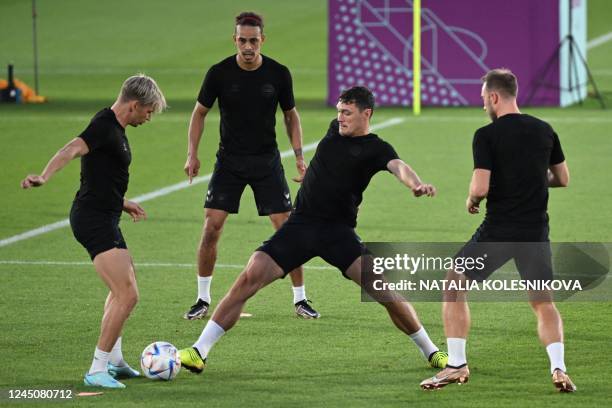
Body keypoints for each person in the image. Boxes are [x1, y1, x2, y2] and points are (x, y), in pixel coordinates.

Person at [177, 86, 449, 374]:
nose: (340, 118)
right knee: (250, 275)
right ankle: (199, 351)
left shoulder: (377, 148)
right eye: (339, 112)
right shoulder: (336, 129)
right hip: (302, 225)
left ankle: (431, 352)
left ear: (366, 114)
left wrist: (415, 185)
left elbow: (398, 166)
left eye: (347, 113)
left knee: (383, 290)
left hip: (338, 233)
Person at [420, 68, 575, 392]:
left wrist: (471, 198)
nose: (482, 106)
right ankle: (558, 368)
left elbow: (480, 185)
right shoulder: (544, 130)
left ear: (493, 97)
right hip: (535, 233)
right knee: (543, 302)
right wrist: (530, 180)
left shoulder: (487, 135)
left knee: (454, 280)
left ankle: (456, 364)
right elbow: (562, 178)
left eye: (483, 100)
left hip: (499, 233)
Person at [20, 74, 167, 389]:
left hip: (105, 214)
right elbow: (71, 148)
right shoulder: (103, 125)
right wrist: (45, 177)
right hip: (93, 219)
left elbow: (101, 175)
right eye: (149, 111)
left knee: (121, 289)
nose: (149, 117)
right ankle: (97, 368)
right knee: (128, 294)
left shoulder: (116, 129)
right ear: (134, 104)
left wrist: (122, 202)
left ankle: (113, 361)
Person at [182, 11, 319, 320]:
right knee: (211, 228)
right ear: (234, 39)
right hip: (228, 163)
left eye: (253, 41)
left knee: (288, 230)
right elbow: (199, 112)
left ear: (262, 40)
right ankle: (202, 299)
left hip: (266, 162)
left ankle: (301, 298)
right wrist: (192, 153)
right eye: (242, 40)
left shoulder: (278, 73)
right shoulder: (218, 73)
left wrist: (298, 156)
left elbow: (290, 115)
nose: (247, 46)